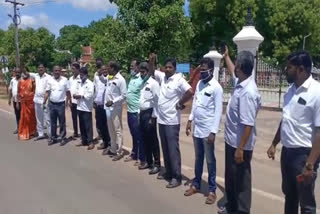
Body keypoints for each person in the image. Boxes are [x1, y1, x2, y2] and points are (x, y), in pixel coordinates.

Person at [267, 51, 320, 214]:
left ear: (301, 69)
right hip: (287, 153)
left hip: (304, 155)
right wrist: (274, 143)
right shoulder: (290, 90)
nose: (285, 70)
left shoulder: (316, 92)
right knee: (290, 196)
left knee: (306, 203)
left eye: (289, 67)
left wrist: (310, 164)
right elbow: (286, 119)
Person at [218, 47, 261, 214]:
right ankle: (231, 207)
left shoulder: (248, 92)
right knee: (231, 178)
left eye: (236, 63)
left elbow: (248, 124)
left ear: (241, 67)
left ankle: (242, 210)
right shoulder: (241, 83)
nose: (234, 66)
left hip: (240, 146)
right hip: (232, 142)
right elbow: (231, 71)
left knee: (241, 182)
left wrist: (240, 148)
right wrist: (227, 57)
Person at [150, 54, 193, 188]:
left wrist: (180, 102)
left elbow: (190, 92)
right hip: (162, 120)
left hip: (172, 121)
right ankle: (168, 172)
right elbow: (152, 71)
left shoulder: (179, 80)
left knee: (173, 150)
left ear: (175, 68)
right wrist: (151, 61)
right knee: (165, 148)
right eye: (166, 67)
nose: (167, 69)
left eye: (170, 67)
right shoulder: (163, 77)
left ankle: (176, 176)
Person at [184, 58, 223, 205]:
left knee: (210, 160)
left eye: (204, 70)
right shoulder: (200, 83)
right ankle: (196, 184)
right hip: (197, 128)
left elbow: (218, 111)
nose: (201, 72)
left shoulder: (216, 88)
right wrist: (189, 120)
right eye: (200, 69)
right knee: (198, 158)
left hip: (208, 131)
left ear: (211, 70)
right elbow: (195, 104)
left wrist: (213, 132)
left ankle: (212, 190)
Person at [124, 59, 147, 169]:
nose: (131, 68)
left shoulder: (141, 79)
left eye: (133, 66)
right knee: (133, 134)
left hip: (137, 112)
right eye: (131, 66)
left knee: (139, 136)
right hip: (129, 110)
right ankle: (134, 153)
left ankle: (141, 157)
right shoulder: (132, 78)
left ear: (138, 67)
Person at [139, 62, 161, 174]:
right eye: (140, 72)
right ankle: (149, 161)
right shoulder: (143, 83)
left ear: (148, 71)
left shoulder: (153, 84)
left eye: (143, 72)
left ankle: (157, 164)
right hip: (142, 113)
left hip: (150, 113)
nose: (141, 74)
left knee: (152, 139)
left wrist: (153, 117)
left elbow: (157, 101)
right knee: (144, 138)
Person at [104, 60, 127, 161]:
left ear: (113, 68)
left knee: (118, 130)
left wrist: (113, 101)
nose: (107, 69)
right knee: (111, 129)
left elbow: (124, 95)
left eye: (108, 67)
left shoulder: (120, 79)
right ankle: (113, 148)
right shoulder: (110, 77)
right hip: (108, 108)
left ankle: (120, 151)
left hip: (115, 108)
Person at [44, 65, 71, 146]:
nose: (57, 72)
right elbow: (47, 92)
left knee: (62, 122)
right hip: (51, 104)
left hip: (61, 104)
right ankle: (53, 138)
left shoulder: (65, 80)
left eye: (58, 70)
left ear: (60, 71)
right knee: (53, 122)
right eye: (55, 71)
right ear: (53, 71)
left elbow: (68, 92)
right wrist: (43, 102)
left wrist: (68, 102)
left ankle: (63, 138)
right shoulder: (50, 80)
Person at [74, 67, 95, 150]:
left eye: (82, 74)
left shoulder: (90, 83)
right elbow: (76, 91)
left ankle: (90, 142)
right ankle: (84, 140)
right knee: (81, 125)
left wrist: (81, 96)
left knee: (88, 126)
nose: (81, 76)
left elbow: (90, 95)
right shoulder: (79, 83)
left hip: (86, 108)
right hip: (79, 107)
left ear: (86, 74)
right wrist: (75, 95)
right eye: (80, 74)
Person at [94, 64, 111, 152]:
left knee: (107, 126)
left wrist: (100, 75)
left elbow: (104, 80)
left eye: (105, 70)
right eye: (102, 70)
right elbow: (96, 89)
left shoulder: (110, 78)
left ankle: (109, 144)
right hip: (98, 105)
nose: (104, 71)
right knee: (101, 126)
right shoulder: (97, 78)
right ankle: (104, 142)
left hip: (106, 107)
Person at [17, 67, 37, 140]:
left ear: (29, 72)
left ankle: (32, 132)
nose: (24, 73)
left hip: (31, 103)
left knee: (31, 118)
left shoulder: (32, 81)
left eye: (26, 72)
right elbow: (18, 93)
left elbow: (35, 91)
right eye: (23, 72)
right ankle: (24, 133)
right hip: (23, 103)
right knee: (24, 118)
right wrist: (17, 103)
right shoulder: (20, 81)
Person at [33, 64, 51, 141]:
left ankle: (50, 134)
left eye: (42, 67)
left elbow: (48, 90)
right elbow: (26, 73)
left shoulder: (48, 77)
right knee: (39, 118)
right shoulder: (35, 75)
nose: (40, 69)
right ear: (37, 69)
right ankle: (41, 134)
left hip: (45, 101)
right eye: (39, 67)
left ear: (45, 69)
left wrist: (44, 102)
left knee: (47, 119)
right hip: (36, 100)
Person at [69, 63, 81, 138]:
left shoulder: (81, 78)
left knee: (81, 118)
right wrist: (69, 101)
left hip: (80, 102)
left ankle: (83, 133)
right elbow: (69, 90)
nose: (72, 71)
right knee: (74, 118)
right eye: (71, 69)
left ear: (78, 69)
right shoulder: (70, 79)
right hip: (72, 101)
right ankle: (75, 132)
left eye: (73, 69)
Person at [8, 68, 21, 134]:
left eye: (19, 72)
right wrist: (9, 99)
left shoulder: (22, 80)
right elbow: (10, 90)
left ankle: (22, 129)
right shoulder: (12, 80)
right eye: (16, 72)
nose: (17, 74)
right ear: (15, 73)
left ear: (20, 73)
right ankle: (18, 127)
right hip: (15, 101)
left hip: (22, 102)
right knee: (17, 115)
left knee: (22, 115)